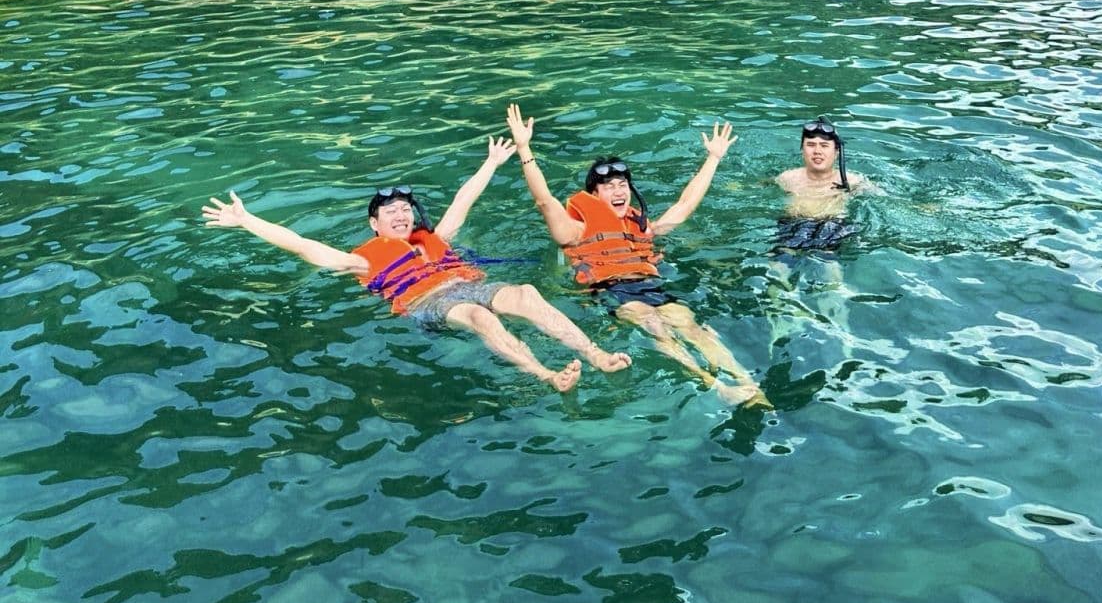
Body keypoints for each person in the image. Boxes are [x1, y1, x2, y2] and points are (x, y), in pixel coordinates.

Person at [201, 137, 630, 394]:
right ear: (374, 224)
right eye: (391, 212)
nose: (402, 215)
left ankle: (596, 355)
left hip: (468, 283)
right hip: (430, 303)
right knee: (479, 316)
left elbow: (464, 199)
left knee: (527, 294)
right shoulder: (361, 259)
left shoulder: (434, 239)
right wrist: (247, 221)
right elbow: (303, 245)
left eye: (407, 209)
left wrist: (492, 162)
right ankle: (546, 374)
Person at [505, 103, 765, 406]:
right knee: (653, 324)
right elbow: (544, 201)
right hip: (611, 289)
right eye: (609, 187)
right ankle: (716, 385)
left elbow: (684, 205)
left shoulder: (640, 227)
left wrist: (713, 158)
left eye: (623, 185)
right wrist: (524, 148)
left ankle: (748, 383)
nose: (618, 192)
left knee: (690, 325)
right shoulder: (574, 230)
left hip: (650, 286)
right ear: (593, 196)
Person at [774, 117, 874, 252]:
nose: (817, 151)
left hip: (831, 228)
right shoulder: (788, 177)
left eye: (824, 145)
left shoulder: (852, 181)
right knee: (779, 267)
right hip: (792, 225)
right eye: (810, 145)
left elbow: (885, 197)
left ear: (837, 152)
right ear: (802, 150)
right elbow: (754, 187)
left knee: (830, 269)